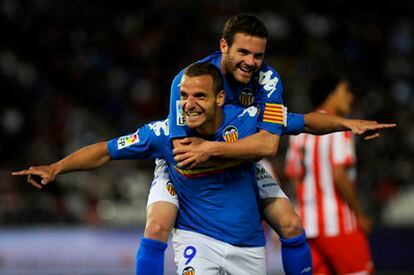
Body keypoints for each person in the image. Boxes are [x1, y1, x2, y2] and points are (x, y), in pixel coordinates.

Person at [141, 13, 394, 275]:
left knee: (291, 223)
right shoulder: (188, 81)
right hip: (187, 168)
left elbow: (272, 143)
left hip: (236, 160)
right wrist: (238, 146)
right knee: (157, 227)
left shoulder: (268, 80)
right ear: (224, 46)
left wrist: (346, 123)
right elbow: (186, 151)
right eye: (244, 52)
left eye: (258, 55)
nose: (251, 62)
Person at [13, 63, 295, 274]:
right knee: (157, 226)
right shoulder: (162, 134)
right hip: (196, 236)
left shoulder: (246, 121)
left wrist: (340, 123)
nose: (188, 104)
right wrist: (55, 168)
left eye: (199, 96)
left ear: (220, 99)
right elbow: (106, 151)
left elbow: (300, 121)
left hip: (245, 241)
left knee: (291, 224)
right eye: (183, 96)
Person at [285, 73, 376, 274]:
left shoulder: (299, 130)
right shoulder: (340, 127)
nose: (350, 97)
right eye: (345, 91)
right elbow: (339, 175)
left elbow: (293, 175)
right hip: (338, 224)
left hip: (307, 225)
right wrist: (360, 214)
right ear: (331, 94)